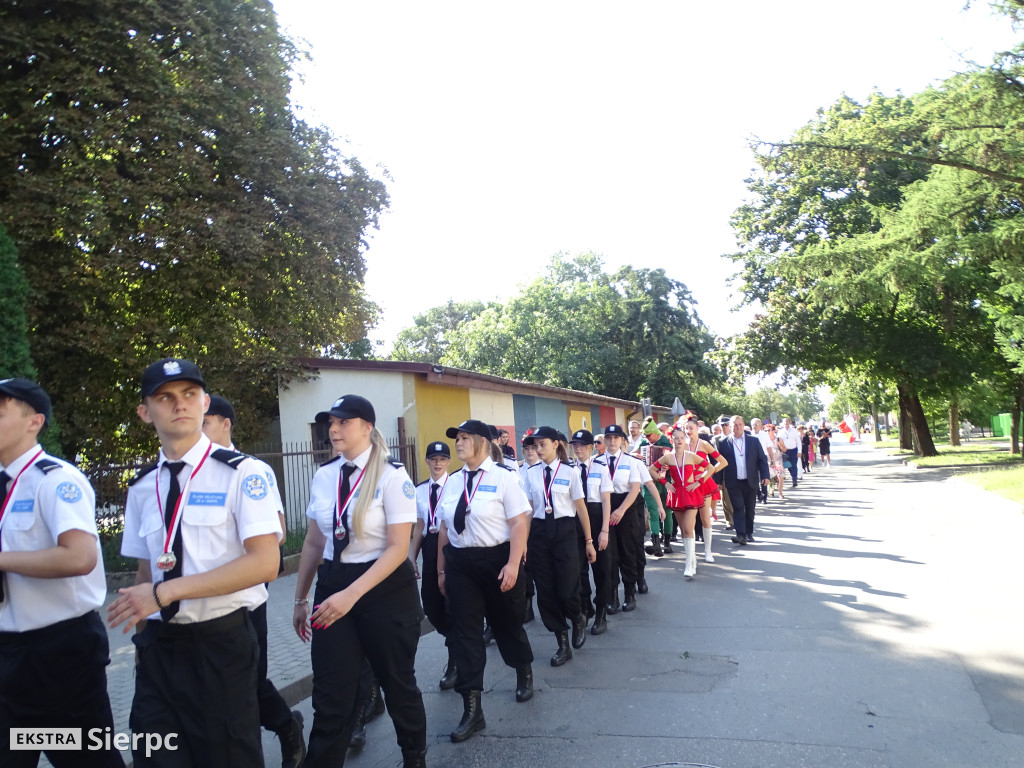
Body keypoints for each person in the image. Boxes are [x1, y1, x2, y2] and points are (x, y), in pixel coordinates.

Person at [109, 358, 283, 766]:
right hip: (158, 652)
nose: (179, 405)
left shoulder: (243, 474)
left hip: (220, 647)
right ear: (144, 412)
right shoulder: (141, 486)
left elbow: (265, 563)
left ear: (205, 402)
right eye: (164, 398)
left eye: (189, 395)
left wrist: (166, 592)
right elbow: (146, 572)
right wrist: (141, 637)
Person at [291, 394, 427, 768]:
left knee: (397, 685)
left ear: (367, 427)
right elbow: (315, 541)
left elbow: (399, 548)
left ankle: (414, 757)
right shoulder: (324, 476)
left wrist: (351, 595)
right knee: (331, 694)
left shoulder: (391, 474)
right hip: (335, 584)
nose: (333, 429)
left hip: (384, 588)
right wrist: (301, 599)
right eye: (330, 423)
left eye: (343, 422)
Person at [0, 378, 124, 768]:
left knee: (87, 760)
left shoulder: (56, 480)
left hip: (59, 654)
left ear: (33, 422)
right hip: (7, 652)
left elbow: (79, 557)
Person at [202, 395, 305, 768]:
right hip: (194, 607)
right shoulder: (182, 475)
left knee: (249, 683)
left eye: (205, 423)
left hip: (243, 598)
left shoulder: (250, 471)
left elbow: (276, 532)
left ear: (225, 424)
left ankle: (287, 726)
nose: (195, 431)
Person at [436, 419, 534, 743]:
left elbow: (519, 523)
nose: (458, 443)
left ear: (480, 441)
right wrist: (441, 570)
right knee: (466, 635)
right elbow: (444, 531)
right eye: (457, 438)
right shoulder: (451, 483)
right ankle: (473, 708)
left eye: (464, 438)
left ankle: (523, 669)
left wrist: (513, 564)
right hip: (462, 565)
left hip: (497, 560)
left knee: (507, 624)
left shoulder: (504, 478)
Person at [522, 427, 596, 666]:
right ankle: (562, 642)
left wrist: (589, 541)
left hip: (565, 531)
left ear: (556, 444)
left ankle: (577, 617)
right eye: (535, 446)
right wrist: (522, 543)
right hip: (539, 532)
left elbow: (581, 508)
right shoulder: (531, 474)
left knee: (567, 586)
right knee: (545, 591)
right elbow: (529, 510)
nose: (538, 449)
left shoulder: (570, 472)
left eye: (542, 444)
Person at [409, 440, 455, 691]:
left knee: (450, 600)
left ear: (448, 462)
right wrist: (412, 557)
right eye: (433, 459)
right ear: (426, 461)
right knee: (430, 601)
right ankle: (453, 637)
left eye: (442, 459)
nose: (437, 463)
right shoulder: (419, 490)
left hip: (450, 545)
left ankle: (454, 660)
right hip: (429, 543)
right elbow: (418, 526)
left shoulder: (456, 486)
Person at [568, 429, 612, 634]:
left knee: (601, 569)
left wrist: (604, 530)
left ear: (591, 447)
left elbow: (605, 500)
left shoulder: (601, 467)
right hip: (576, 520)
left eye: (581, 445)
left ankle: (602, 610)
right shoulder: (569, 468)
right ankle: (586, 606)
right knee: (579, 569)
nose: (578, 448)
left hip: (596, 517)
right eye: (574, 445)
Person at [654, 428, 710, 579]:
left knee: (687, 527)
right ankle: (692, 559)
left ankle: (688, 564)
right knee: (683, 531)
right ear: (672, 440)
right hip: (676, 493)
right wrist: (664, 482)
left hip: (691, 493)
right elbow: (651, 469)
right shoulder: (668, 457)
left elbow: (709, 468)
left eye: (681, 438)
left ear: (685, 440)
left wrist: (699, 482)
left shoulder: (691, 456)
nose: (679, 441)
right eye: (676, 438)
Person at [602, 425, 643, 614]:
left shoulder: (630, 461)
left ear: (622, 441)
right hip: (605, 508)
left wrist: (620, 510)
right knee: (610, 555)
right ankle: (613, 596)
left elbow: (635, 489)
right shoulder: (597, 462)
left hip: (625, 507)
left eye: (615, 437)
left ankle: (629, 593)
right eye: (608, 437)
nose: (612, 441)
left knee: (627, 552)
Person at [679, 416, 727, 568]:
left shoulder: (704, 444)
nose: (688, 431)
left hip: (703, 485)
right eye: (686, 428)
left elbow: (723, 462)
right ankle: (691, 554)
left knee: (705, 517)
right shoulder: (682, 444)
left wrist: (708, 474)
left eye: (691, 428)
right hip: (687, 485)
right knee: (688, 522)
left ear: (697, 429)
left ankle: (708, 551)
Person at [716, 416, 770, 546]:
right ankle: (740, 535)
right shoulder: (724, 443)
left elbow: (762, 459)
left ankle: (749, 532)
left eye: (740, 425)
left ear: (743, 425)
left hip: (750, 480)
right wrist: (717, 481)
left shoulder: (753, 441)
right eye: (734, 425)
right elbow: (719, 463)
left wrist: (765, 476)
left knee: (750, 508)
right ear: (730, 426)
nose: (737, 427)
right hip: (733, 481)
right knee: (738, 507)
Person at [779, 417, 801, 487]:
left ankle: (794, 479)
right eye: (784, 422)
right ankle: (792, 476)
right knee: (788, 466)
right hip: (785, 451)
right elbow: (778, 442)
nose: (786, 423)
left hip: (793, 450)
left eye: (787, 421)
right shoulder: (780, 431)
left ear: (789, 422)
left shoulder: (794, 431)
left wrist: (799, 451)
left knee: (794, 465)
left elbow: (798, 442)